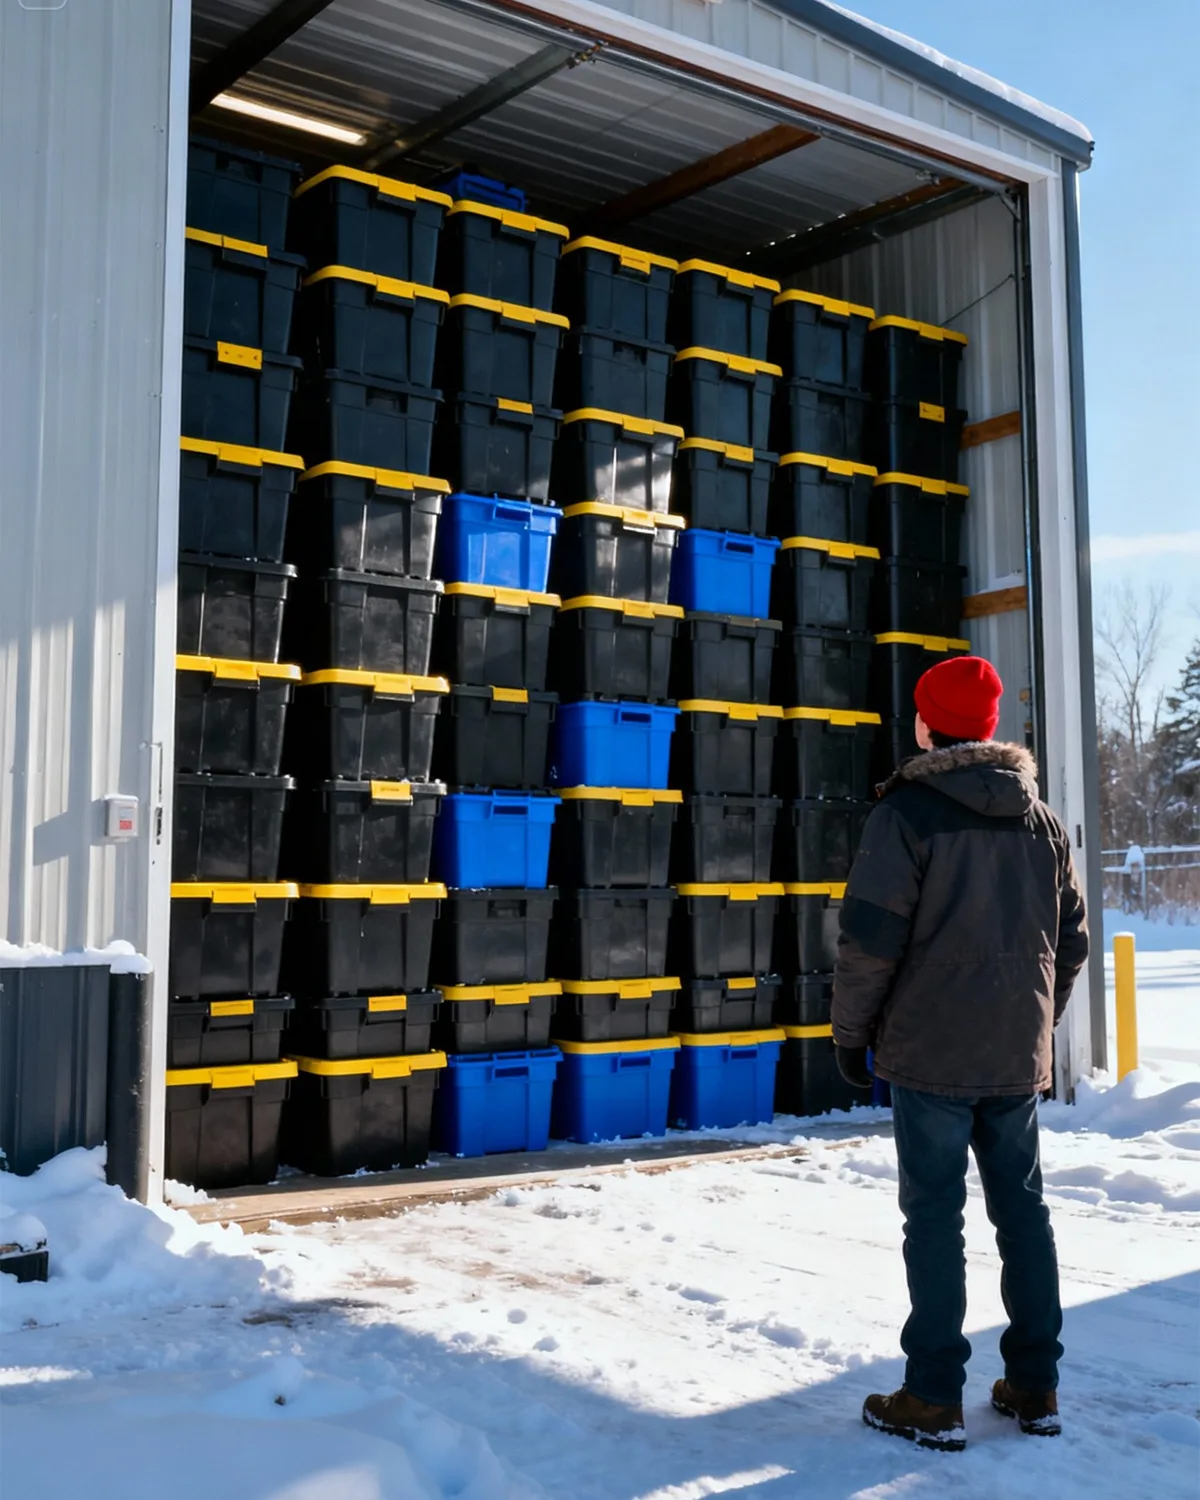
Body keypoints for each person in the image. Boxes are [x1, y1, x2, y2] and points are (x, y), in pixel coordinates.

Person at [831, 655, 1089, 1452]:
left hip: (930, 1056)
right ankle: (1035, 1386)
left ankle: (934, 1396)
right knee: (1024, 1214)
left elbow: (868, 944)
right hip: (1013, 1057)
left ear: (923, 725)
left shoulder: (905, 814)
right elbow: (1071, 942)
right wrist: (1034, 1025)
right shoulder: (1039, 820)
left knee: (935, 1218)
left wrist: (851, 1038)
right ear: (991, 728)